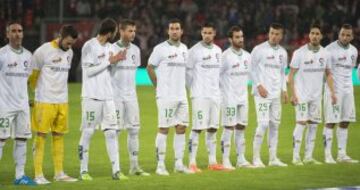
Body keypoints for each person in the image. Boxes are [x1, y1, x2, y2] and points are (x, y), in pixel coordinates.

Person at [78, 18, 126, 180]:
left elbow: (109, 71)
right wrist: (108, 61)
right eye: (115, 32)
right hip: (91, 96)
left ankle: (116, 170)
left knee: (112, 133)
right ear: (110, 32)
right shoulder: (89, 46)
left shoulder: (111, 47)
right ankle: (83, 170)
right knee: (88, 132)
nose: (116, 34)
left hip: (108, 97)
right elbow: (88, 72)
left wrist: (116, 62)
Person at [30, 25, 79, 184]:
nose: (69, 47)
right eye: (68, 43)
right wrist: (37, 96)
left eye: (72, 44)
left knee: (59, 136)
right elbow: (33, 77)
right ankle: (38, 174)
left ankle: (59, 173)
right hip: (45, 100)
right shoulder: (43, 51)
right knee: (41, 136)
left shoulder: (69, 53)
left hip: (62, 101)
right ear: (60, 36)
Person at [147, 19, 192, 175]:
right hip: (166, 96)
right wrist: (157, 86)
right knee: (164, 128)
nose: (174, 31)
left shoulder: (185, 49)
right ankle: (160, 165)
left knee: (181, 128)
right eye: (171, 28)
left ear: (181, 31)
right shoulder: (160, 49)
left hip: (182, 95)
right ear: (168, 31)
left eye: (177, 28)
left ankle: (179, 164)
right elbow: (150, 67)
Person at [288, 23, 336, 165]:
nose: (314, 36)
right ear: (309, 35)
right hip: (301, 95)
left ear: (321, 36)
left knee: (314, 124)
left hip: (316, 96)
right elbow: (290, 75)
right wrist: (293, 94)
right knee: (301, 123)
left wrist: (333, 93)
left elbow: (328, 74)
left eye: (317, 34)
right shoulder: (299, 53)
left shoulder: (325, 54)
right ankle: (296, 157)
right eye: (312, 33)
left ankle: (308, 157)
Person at [110, 19, 149, 176]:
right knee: (116, 132)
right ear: (121, 31)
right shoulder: (111, 49)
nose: (133, 34)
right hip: (116, 97)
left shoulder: (136, 50)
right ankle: (117, 169)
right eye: (130, 31)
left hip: (132, 97)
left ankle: (134, 166)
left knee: (134, 131)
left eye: (134, 31)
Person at [0, 21, 36, 186]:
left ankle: (20, 176)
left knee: (22, 139)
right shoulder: (2, 54)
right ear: (7, 34)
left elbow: (27, 81)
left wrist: (29, 98)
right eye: (13, 31)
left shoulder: (28, 55)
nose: (17, 34)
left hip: (22, 106)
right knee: (1, 139)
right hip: (4, 106)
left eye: (20, 31)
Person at [187, 23, 225, 172]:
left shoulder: (218, 50)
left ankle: (212, 162)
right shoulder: (194, 51)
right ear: (201, 33)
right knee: (197, 128)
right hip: (200, 95)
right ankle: (192, 163)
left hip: (215, 95)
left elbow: (219, 74)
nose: (207, 35)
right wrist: (194, 89)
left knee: (213, 129)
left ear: (214, 33)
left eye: (209, 32)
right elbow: (187, 73)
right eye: (204, 33)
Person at [250, 23, 288, 168]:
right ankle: (256, 158)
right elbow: (251, 69)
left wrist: (284, 91)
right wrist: (258, 85)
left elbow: (282, 73)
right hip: (262, 94)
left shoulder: (283, 53)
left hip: (276, 94)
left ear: (281, 35)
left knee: (275, 125)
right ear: (268, 33)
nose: (274, 36)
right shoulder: (258, 49)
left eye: (277, 34)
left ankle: (273, 159)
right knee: (263, 124)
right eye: (272, 33)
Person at [323, 24, 358, 164]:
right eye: (342, 34)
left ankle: (342, 154)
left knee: (345, 121)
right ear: (339, 34)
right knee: (331, 122)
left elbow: (351, 70)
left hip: (348, 91)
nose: (345, 37)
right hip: (334, 91)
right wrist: (331, 92)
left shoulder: (354, 51)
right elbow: (326, 72)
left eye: (348, 35)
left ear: (352, 36)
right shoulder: (329, 50)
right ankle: (327, 155)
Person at [220, 26, 252, 169]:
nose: (240, 39)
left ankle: (241, 159)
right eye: (237, 37)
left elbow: (252, 75)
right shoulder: (225, 56)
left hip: (243, 97)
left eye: (241, 36)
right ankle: (225, 159)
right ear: (230, 39)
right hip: (229, 98)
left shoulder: (247, 56)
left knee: (241, 127)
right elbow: (217, 77)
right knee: (228, 127)